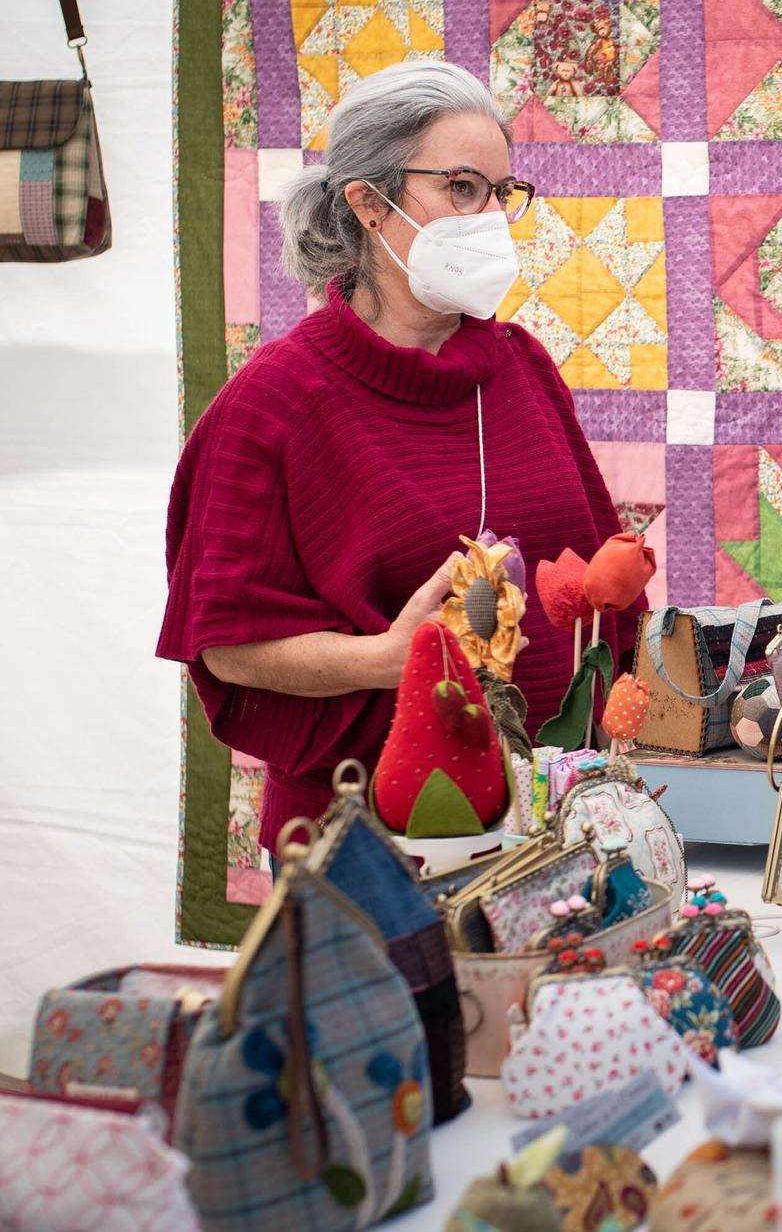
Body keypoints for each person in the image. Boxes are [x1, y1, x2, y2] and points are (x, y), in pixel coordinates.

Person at [157, 60, 632, 855]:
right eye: (462, 188)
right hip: (370, 846)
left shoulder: (521, 366)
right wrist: (387, 658)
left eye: (501, 193)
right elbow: (226, 643)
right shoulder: (273, 401)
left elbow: (597, 587)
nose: (489, 218)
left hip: (550, 831)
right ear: (368, 205)